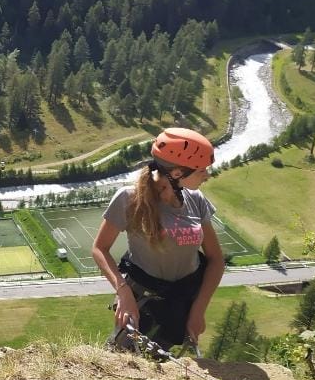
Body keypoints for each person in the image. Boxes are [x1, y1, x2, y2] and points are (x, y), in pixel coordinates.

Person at [92, 127, 225, 353]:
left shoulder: (196, 200)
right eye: (201, 170)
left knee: (161, 360)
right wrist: (123, 293)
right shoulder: (129, 199)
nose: (207, 175)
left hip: (183, 299)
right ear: (176, 174)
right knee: (124, 358)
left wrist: (198, 310)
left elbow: (216, 260)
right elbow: (100, 249)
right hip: (142, 300)